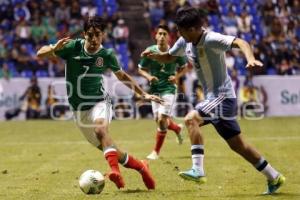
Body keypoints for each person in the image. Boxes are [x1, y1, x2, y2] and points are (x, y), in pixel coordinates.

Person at [142, 7, 285, 195]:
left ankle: (198, 170)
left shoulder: (211, 39)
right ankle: (274, 176)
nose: (179, 34)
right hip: (214, 98)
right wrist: (155, 56)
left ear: (193, 29)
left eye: (181, 30)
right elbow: (170, 56)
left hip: (223, 97)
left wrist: (250, 58)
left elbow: (240, 41)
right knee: (238, 145)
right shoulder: (185, 41)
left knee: (191, 119)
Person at [37, 16, 163, 190]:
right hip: (79, 111)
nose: (94, 39)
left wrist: (142, 94)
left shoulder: (106, 55)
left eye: (97, 34)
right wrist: (53, 48)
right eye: (90, 35)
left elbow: (122, 76)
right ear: (84, 34)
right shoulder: (72, 47)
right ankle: (142, 166)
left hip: (100, 102)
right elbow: (40, 54)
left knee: (101, 130)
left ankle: (114, 172)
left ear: (103, 35)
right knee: (111, 149)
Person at [138, 24, 188, 160]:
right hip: (155, 89)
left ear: (169, 38)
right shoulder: (150, 51)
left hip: (169, 89)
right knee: (158, 120)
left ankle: (155, 152)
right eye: (159, 34)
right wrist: (149, 77)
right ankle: (177, 128)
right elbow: (140, 69)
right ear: (155, 36)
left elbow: (185, 67)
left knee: (161, 120)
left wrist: (176, 77)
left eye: (165, 34)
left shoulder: (175, 52)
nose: (162, 36)